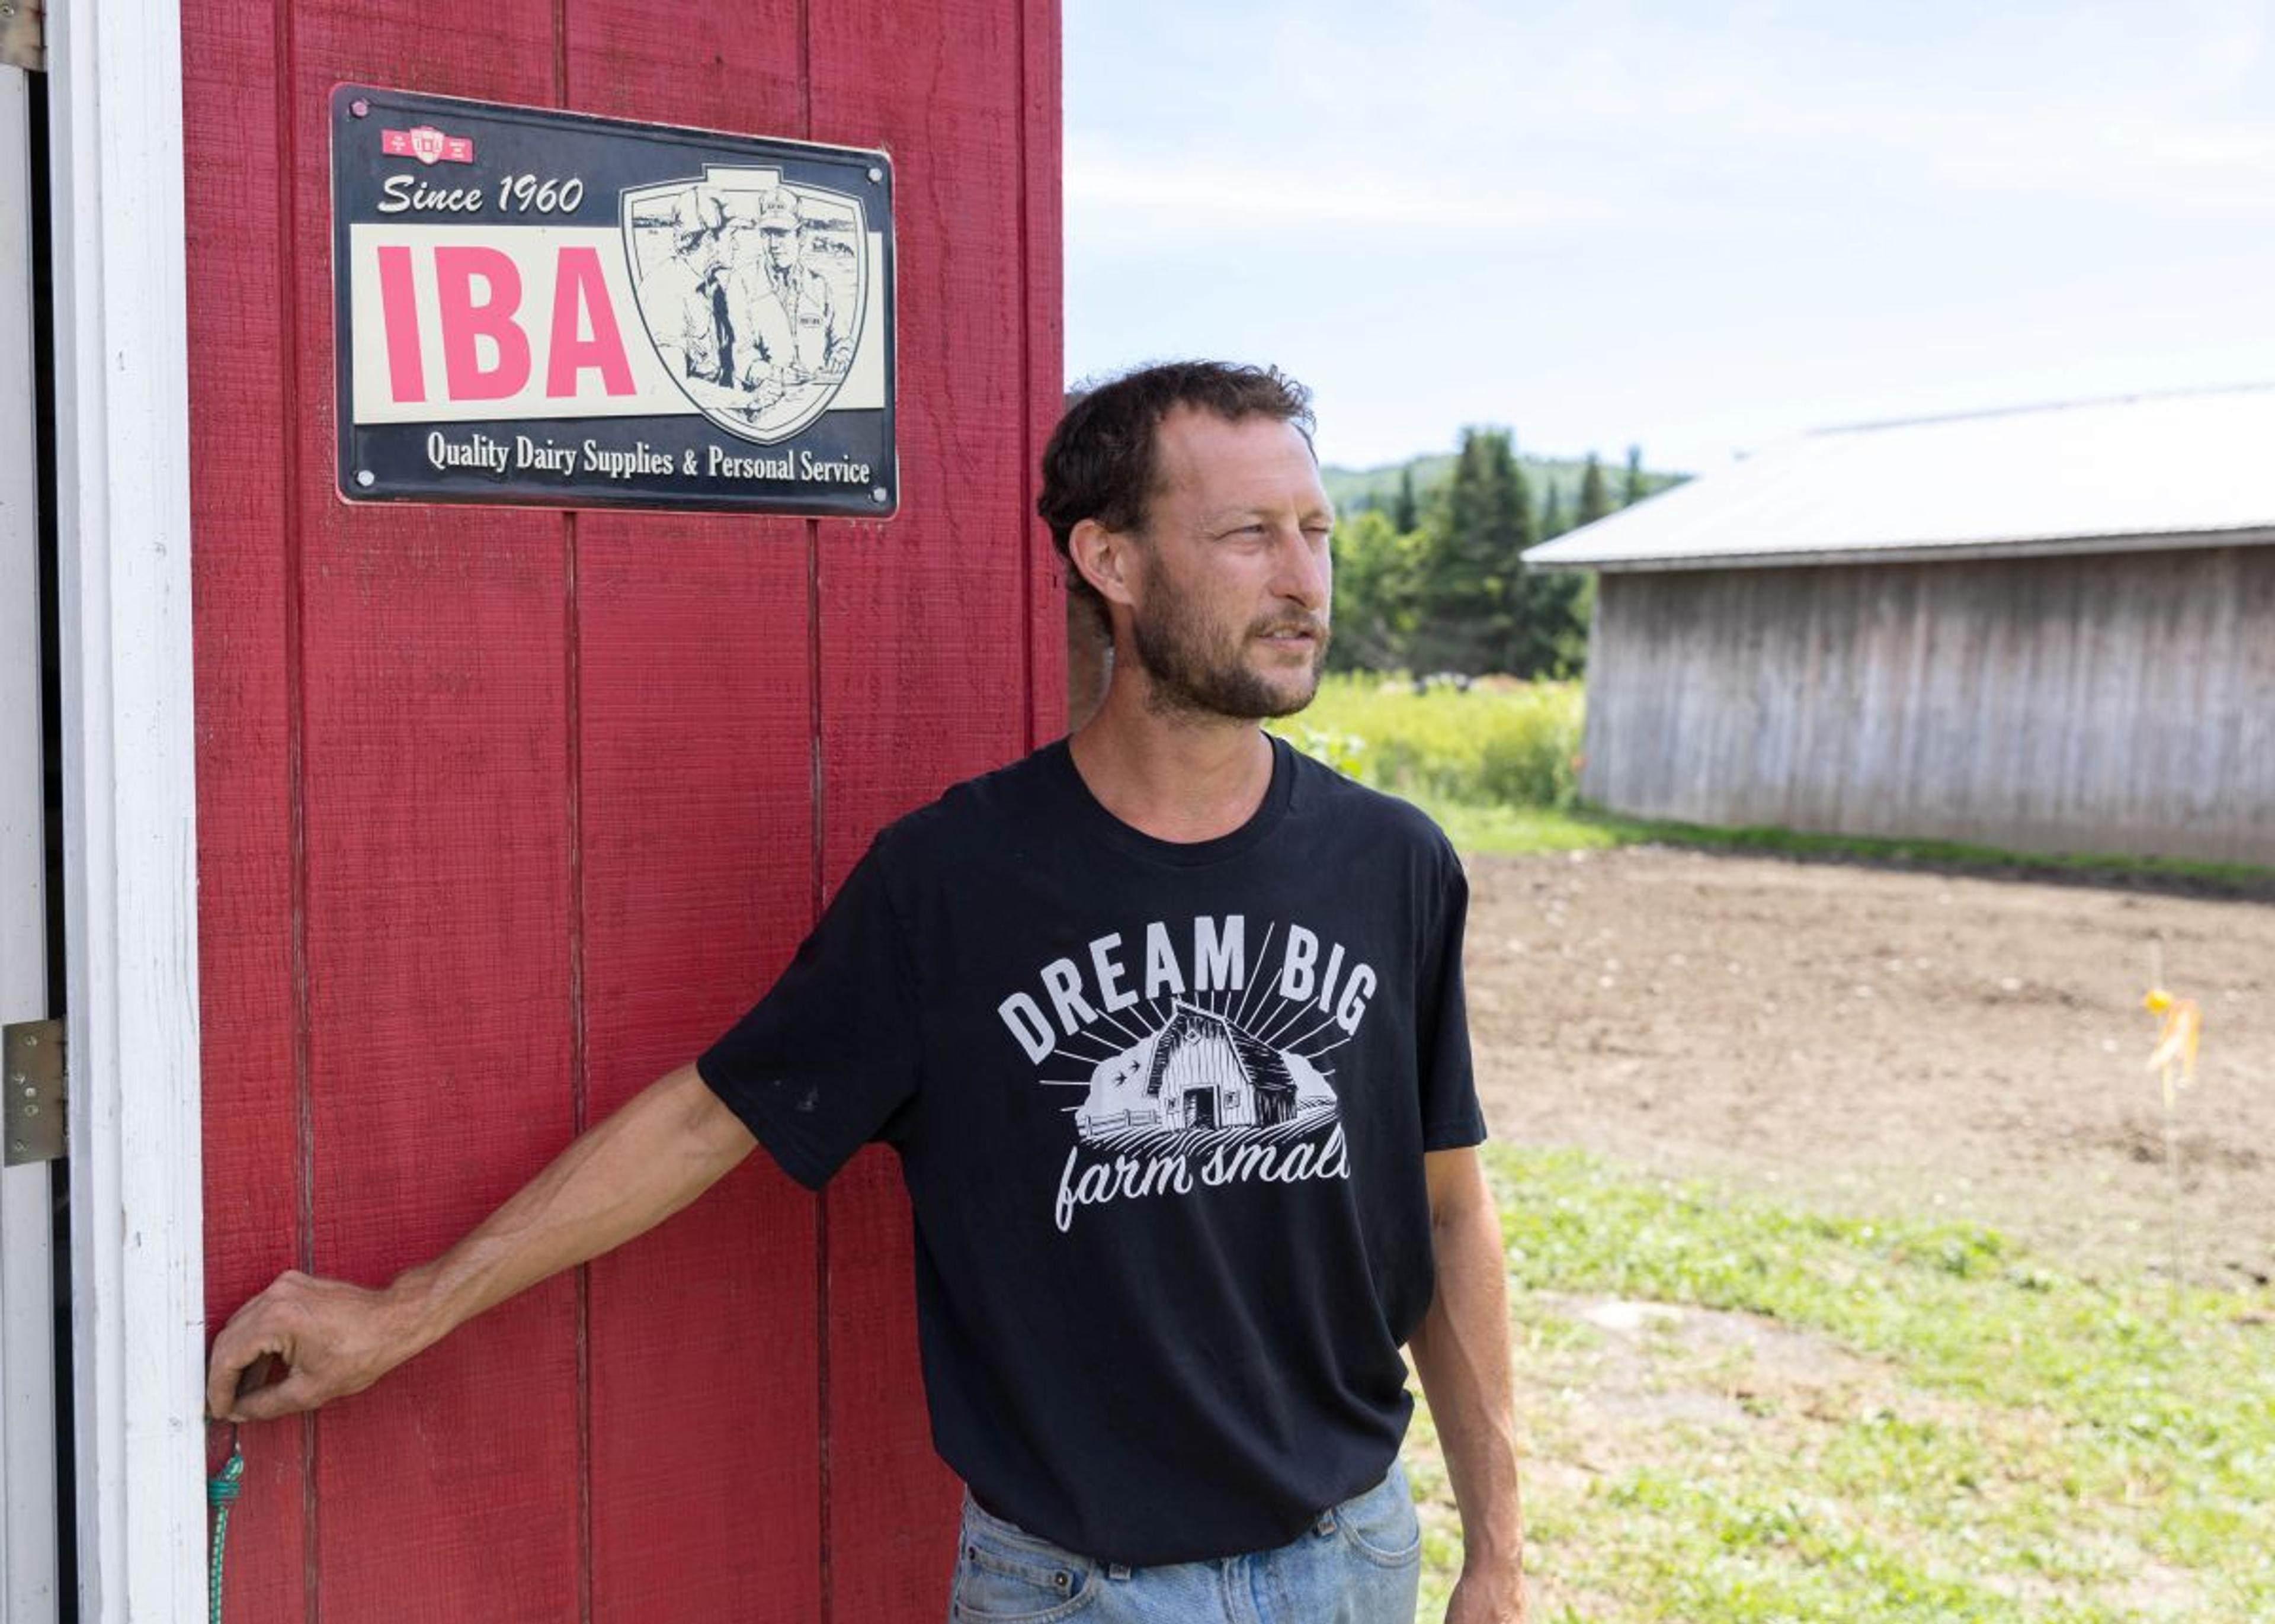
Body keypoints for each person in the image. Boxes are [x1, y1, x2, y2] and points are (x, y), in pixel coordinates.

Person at [206, 361, 1527, 1624]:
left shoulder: (1391, 863)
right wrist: (407, 1311)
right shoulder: (958, 882)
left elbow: (1448, 1210)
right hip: (1074, 1593)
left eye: (1317, 531)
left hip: (1350, 1558)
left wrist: (1500, 1557)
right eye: (1249, 535)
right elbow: (712, 1116)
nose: (1305, 580)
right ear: (1110, 562)